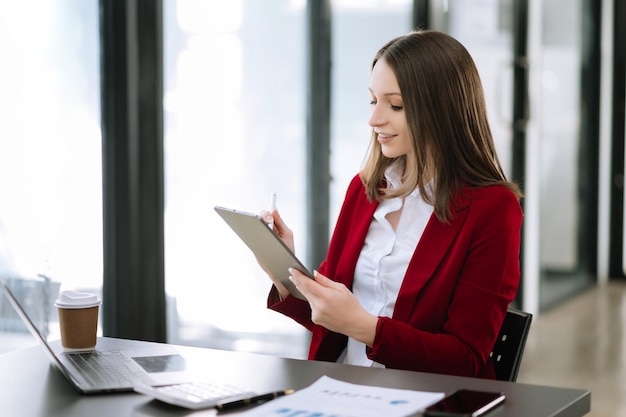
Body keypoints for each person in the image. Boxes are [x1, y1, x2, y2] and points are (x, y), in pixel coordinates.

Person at [260, 29, 523, 379]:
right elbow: (331, 318)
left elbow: (465, 360)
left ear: (441, 109)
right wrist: (285, 272)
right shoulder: (365, 189)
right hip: (340, 391)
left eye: (395, 105)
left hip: (421, 403)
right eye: (373, 100)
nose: (375, 119)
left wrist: (366, 327)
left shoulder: (492, 209)